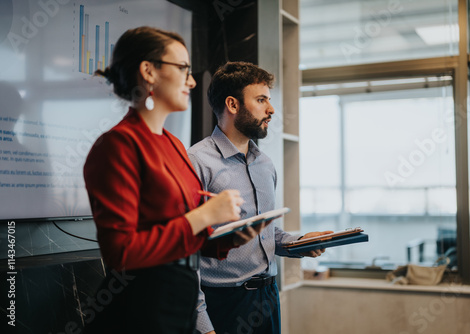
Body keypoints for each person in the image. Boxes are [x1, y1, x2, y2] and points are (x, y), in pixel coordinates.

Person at [83, 28, 265, 334]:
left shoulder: (173, 145)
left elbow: (181, 231)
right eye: (183, 69)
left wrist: (227, 237)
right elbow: (121, 252)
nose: (191, 81)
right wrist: (205, 215)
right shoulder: (117, 145)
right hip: (139, 307)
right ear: (148, 71)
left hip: (176, 302)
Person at [187, 61, 333, 334]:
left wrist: (298, 243)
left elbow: (263, 234)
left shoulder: (264, 163)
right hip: (223, 303)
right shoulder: (196, 162)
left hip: (267, 298)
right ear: (233, 104)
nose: (271, 109)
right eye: (261, 99)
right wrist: (202, 324)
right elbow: (187, 249)